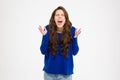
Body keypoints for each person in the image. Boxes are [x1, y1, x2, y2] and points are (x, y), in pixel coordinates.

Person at [38, 6, 81, 80]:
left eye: (62, 15)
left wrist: (75, 38)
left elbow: (75, 52)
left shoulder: (72, 30)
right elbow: (43, 51)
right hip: (49, 74)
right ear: (53, 18)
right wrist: (45, 36)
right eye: (57, 15)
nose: (59, 17)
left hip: (66, 74)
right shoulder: (47, 29)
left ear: (65, 18)